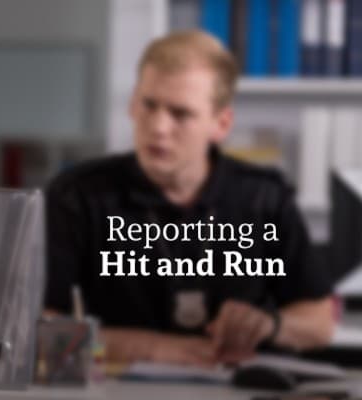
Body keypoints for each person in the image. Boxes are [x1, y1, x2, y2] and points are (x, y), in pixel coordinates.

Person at [45, 30, 335, 367]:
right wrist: (156, 349)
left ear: (221, 123)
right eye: (148, 105)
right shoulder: (77, 194)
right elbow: (42, 329)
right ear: (132, 104)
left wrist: (271, 326)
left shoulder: (264, 196)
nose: (158, 127)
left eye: (180, 114)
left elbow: (320, 323)